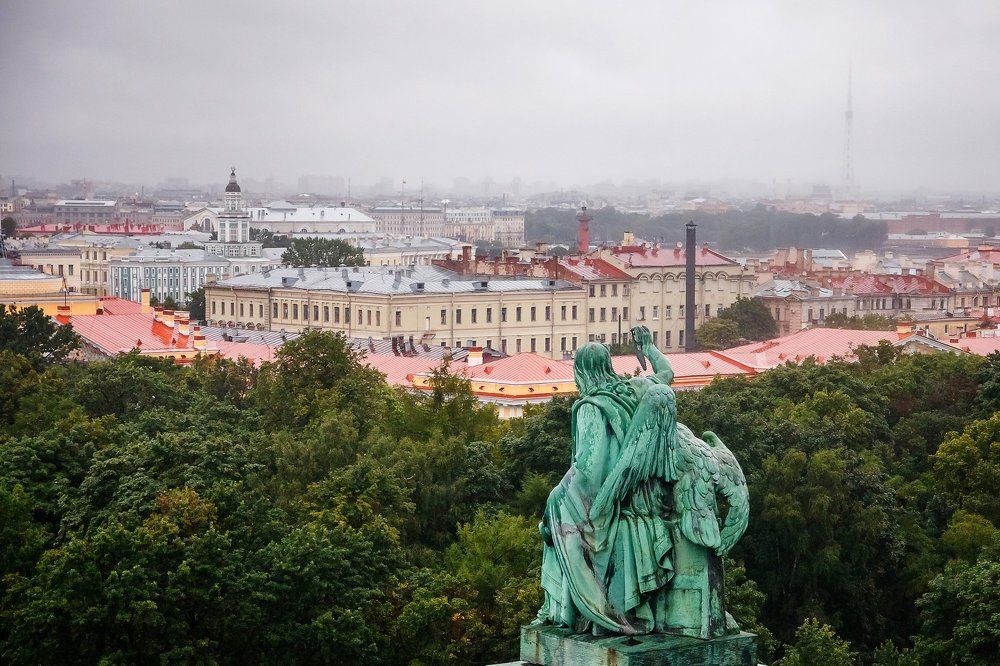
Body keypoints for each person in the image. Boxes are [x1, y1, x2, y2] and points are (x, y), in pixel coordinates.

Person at [535, 329, 676, 634]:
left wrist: (554, 500)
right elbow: (667, 373)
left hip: (609, 504)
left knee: (557, 522)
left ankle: (565, 612)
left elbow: (589, 472)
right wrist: (648, 348)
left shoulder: (591, 407)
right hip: (640, 500)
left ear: (582, 372)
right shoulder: (635, 388)